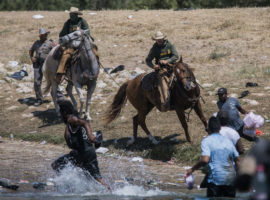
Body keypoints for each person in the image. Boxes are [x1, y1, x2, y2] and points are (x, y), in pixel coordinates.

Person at [51, 100, 110, 191]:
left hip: (86, 154)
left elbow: (85, 123)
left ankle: (109, 191)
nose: (60, 114)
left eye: (60, 112)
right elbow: (71, 143)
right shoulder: (69, 123)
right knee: (57, 165)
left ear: (64, 112)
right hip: (80, 154)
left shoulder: (71, 119)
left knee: (97, 179)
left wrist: (90, 136)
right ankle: (68, 186)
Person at [186, 116, 239, 198]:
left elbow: (205, 159)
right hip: (231, 180)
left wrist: (192, 169)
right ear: (220, 128)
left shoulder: (207, 141)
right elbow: (238, 161)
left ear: (209, 129)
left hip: (215, 180)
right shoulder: (228, 141)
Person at [56, 7, 93, 83]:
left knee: (94, 52)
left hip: (82, 44)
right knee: (65, 56)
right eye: (70, 14)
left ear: (76, 15)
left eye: (72, 14)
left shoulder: (82, 21)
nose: (71, 16)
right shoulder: (68, 23)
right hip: (71, 46)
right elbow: (62, 34)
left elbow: (87, 33)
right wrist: (64, 43)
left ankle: (94, 71)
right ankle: (60, 73)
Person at [29, 28, 56, 106]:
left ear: (46, 35)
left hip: (48, 65)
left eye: (44, 35)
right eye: (41, 35)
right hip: (38, 64)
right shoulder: (36, 43)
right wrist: (31, 57)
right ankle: (39, 99)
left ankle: (57, 97)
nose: (42, 37)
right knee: (37, 82)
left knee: (53, 81)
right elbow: (31, 50)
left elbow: (56, 51)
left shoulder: (50, 43)